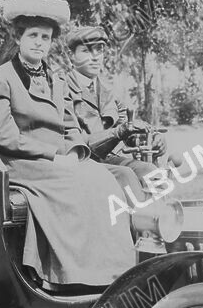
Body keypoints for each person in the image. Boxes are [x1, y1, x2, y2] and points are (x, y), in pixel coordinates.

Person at [0, 0, 135, 287]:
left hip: (58, 161)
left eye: (46, 38)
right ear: (18, 38)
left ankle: (115, 271)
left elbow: (69, 126)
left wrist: (76, 152)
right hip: (20, 163)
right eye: (33, 36)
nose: (39, 43)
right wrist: (54, 156)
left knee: (103, 179)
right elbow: (3, 135)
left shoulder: (56, 80)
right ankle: (71, 275)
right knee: (78, 184)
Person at [63, 25, 166, 192]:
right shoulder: (61, 88)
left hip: (108, 159)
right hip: (81, 160)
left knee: (152, 173)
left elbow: (128, 131)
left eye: (99, 50)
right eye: (87, 51)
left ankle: (162, 217)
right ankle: (141, 217)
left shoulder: (108, 91)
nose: (95, 57)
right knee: (125, 176)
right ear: (71, 56)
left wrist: (153, 139)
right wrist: (117, 132)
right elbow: (74, 141)